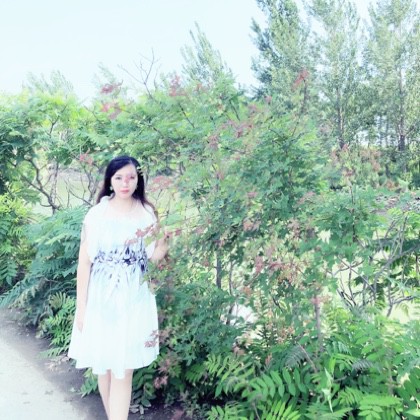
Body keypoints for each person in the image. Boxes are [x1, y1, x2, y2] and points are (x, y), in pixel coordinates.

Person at [68, 155, 168, 420]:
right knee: (105, 368)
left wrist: (165, 244)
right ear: (110, 181)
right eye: (119, 177)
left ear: (138, 180)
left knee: (123, 370)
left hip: (134, 298)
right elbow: (84, 263)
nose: (126, 183)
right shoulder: (97, 214)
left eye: (131, 177)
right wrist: (81, 308)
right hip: (101, 298)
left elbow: (152, 259)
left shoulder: (146, 212)